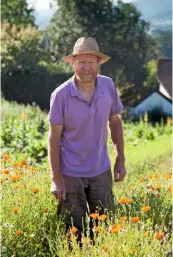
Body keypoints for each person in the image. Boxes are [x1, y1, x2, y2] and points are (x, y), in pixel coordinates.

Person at [47, 37, 126, 246]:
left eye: (91, 61)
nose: (86, 67)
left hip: (101, 170)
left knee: (105, 228)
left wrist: (120, 159)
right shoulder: (61, 95)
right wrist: (56, 178)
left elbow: (115, 123)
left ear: (99, 63)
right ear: (73, 63)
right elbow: (53, 139)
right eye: (81, 62)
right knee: (74, 233)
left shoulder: (108, 86)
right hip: (70, 174)